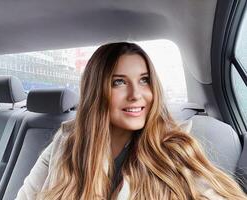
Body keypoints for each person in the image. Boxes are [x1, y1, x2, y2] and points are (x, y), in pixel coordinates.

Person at [16, 42, 247, 200]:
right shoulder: (65, 145)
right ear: (96, 92)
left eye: (144, 80)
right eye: (119, 82)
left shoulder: (173, 149)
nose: (136, 94)